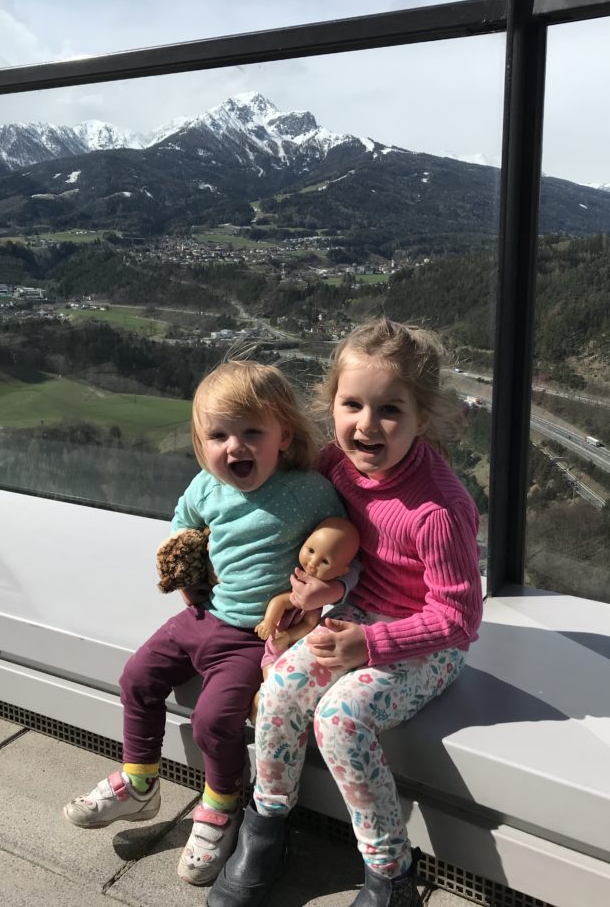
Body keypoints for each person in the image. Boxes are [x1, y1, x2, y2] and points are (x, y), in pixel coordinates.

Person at [209, 319, 484, 907]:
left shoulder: (436, 509)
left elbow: (460, 619)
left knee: (339, 718)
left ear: (423, 419)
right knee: (281, 687)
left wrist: (371, 645)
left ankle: (391, 873)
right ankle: (267, 826)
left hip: (424, 641)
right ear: (331, 405)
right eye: (352, 403)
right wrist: (315, 591)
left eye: (390, 410)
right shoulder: (338, 466)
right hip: (356, 613)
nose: (366, 424)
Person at [63, 360, 349, 887]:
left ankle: (219, 809)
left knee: (215, 722)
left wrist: (328, 592)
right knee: (135, 680)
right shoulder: (205, 486)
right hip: (200, 616)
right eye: (218, 435)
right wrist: (186, 562)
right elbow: (182, 526)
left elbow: (345, 555)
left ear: (284, 434)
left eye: (250, 432)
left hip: (252, 638)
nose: (234, 447)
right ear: (201, 440)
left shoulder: (308, 491)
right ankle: (140, 781)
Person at [250, 516, 360, 720]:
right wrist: (268, 622)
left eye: (325, 561)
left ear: (342, 571)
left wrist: (289, 635)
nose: (312, 563)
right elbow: (280, 602)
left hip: (290, 644)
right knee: (273, 675)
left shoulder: (318, 594)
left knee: (283, 682)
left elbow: (309, 624)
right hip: (275, 646)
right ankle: (266, 698)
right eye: (310, 550)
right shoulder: (298, 579)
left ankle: (266, 700)